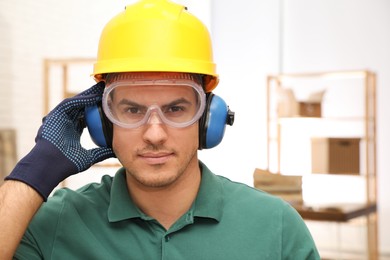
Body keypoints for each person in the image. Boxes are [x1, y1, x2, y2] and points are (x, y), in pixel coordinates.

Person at [0, 0, 320, 259]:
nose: (154, 134)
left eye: (176, 109)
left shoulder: (275, 227)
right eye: (132, 110)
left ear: (208, 119)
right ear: (102, 122)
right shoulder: (54, 224)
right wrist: (36, 170)